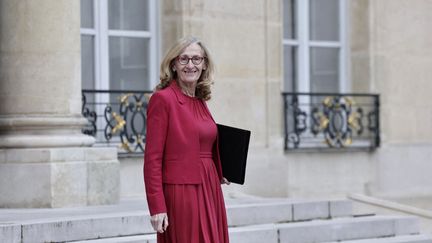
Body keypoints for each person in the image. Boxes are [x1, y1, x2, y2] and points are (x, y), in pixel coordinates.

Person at [143, 36, 230, 243]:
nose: (190, 65)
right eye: (184, 59)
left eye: (196, 59)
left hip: (209, 187)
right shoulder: (163, 99)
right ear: (174, 64)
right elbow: (152, 159)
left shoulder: (199, 100)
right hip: (181, 191)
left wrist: (221, 170)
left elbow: (203, 144)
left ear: (204, 64)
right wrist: (157, 207)